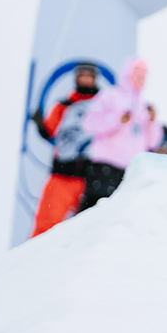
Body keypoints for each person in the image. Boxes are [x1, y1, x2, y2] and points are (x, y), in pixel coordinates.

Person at [79, 57, 163, 210]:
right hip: (104, 167)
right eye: (137, 72)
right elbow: (89, 122)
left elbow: (153, 142)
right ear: (127, 73)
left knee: (119, 217)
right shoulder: (110, 96)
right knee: (93, 214)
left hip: (129, 171)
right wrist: (117, 120)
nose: (140, 77)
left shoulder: (144, 105)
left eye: (144, 74)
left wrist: (152, 122)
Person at [30, 62, 101, 237]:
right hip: (63, 175)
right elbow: (49, 130)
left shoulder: (104, 107)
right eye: (82, 76)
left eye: (88, 76)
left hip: (91, 177)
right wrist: (40, 124)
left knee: (91, 229)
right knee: (46, 224)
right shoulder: (63, 106)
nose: (85, 80)